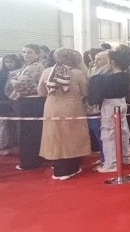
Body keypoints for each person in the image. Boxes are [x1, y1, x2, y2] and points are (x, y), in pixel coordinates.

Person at [37, 49, 91, 180]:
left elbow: (41, 91)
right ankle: (71, 167)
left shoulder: (47, 71)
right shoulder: (78, 73)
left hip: (51, 107)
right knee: (72, 136)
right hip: (72, 107)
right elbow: (85, 91)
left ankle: (58, 167)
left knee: (54, 136)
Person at [94, 48, 130, 173]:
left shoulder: (111, 78)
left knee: (108, 133)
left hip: (110, 104)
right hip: (121, 102)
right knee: (123, 130)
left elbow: (100, 92)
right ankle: (126, 157)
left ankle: (111, 163)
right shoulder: (125, 74)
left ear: (113, 62)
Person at [11, 44, 47, 171]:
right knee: (30, 131)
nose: (26, 55)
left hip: (32, 102)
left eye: (30, 52)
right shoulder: (26, 66)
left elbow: (20, 84)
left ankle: (30, 161)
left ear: (37, 54)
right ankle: (33, 158)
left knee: (29, 132)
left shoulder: (35, 67)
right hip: (28, 101)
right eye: (24, 52)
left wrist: (13, 81)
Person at [0, 53, 22, 156]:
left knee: (19, 125)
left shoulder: (21, 72)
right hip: (4, 103)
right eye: (6, 62)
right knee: (4, 126)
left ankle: (19, 145)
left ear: (16, 62)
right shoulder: (0, 74)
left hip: (18, 102)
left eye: (11, 61)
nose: (8, 64)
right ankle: (3, 147)